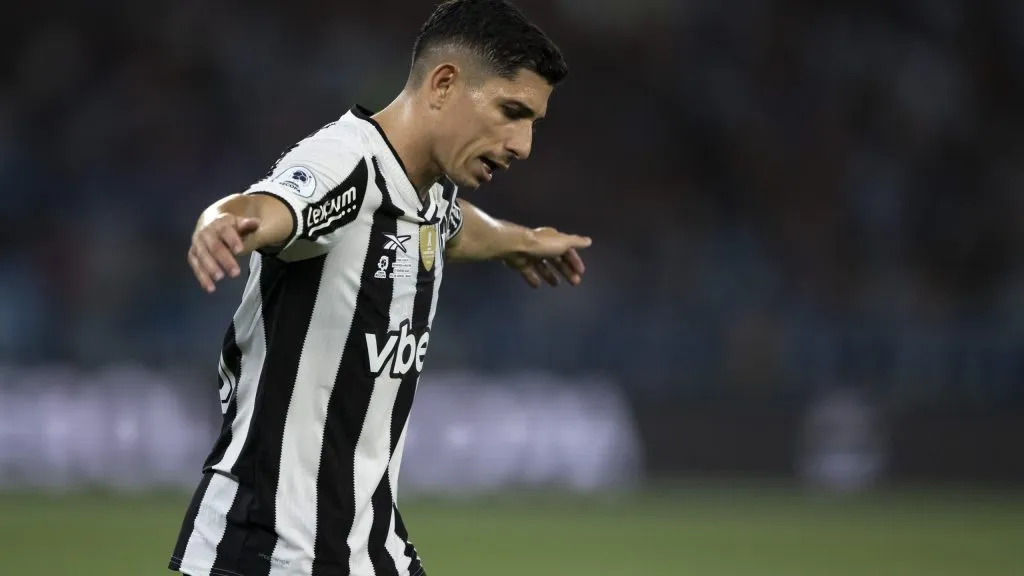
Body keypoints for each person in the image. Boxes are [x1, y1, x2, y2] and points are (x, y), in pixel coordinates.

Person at [169, 1, 590, 575]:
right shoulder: (347, 165)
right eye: (511, 111)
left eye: (532, 123)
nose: (523, 144)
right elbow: (272, 205)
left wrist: (517, 241)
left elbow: (453, 225)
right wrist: (218, 223)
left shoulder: (427, 188)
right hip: (273, 550)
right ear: (444, 83)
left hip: (370, 546)